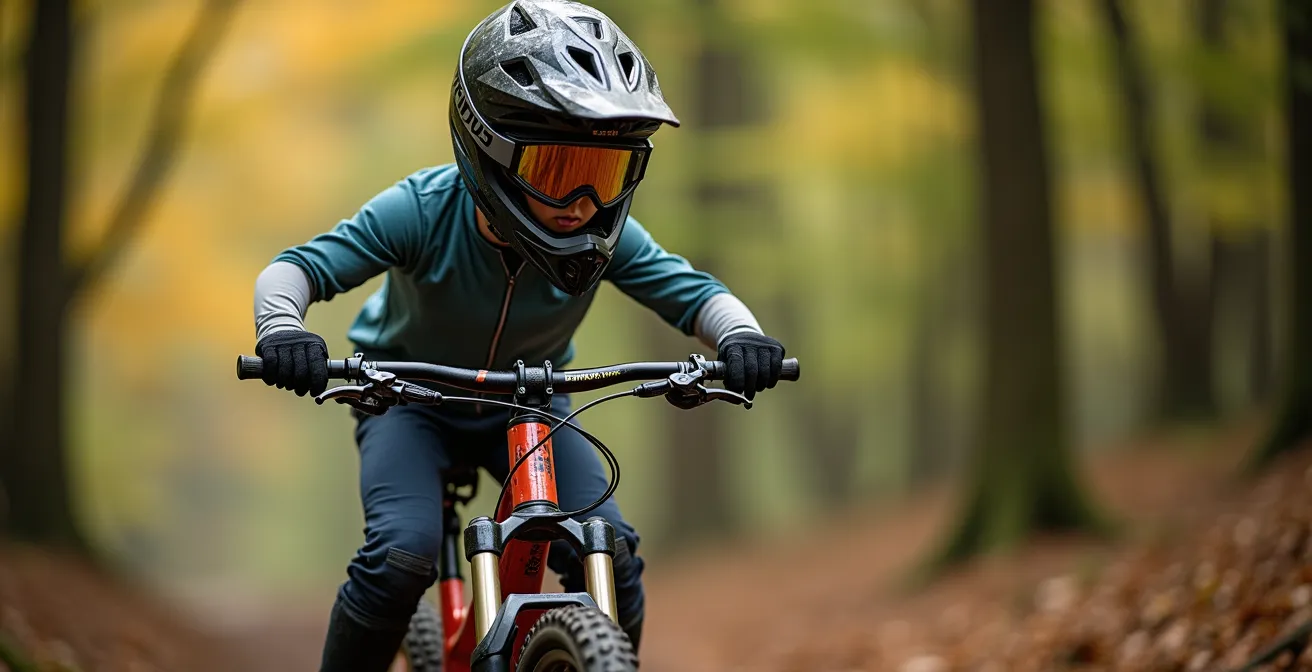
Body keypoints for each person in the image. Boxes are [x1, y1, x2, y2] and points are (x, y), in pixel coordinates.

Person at [250, 1, 787, 670]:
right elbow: (296, 270)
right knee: (401, 555)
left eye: (606, 174)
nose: (584, 203)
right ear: (491, 154)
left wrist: (741, 337)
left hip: (531, 405)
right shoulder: (422, 210)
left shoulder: (606, 238)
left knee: (611, 553)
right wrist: (283, 328)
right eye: (559, 173)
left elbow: (694, 292)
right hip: (408, 402)